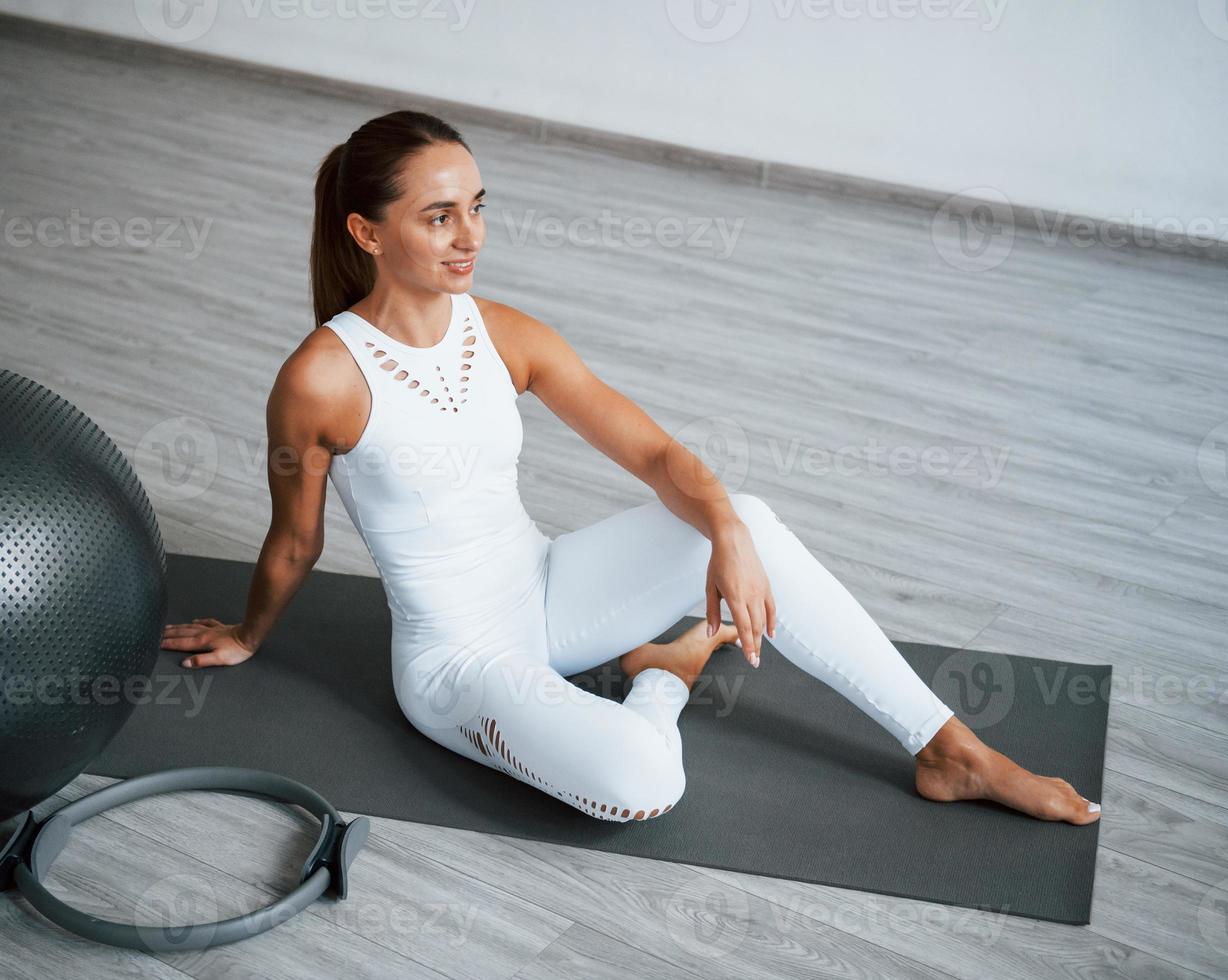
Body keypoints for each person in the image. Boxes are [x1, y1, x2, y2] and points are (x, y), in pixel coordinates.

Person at [161, 110, 1100, 826]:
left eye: (477, 208)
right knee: (643, 786)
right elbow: (297, 538)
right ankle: (667, 671)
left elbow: (651, 452)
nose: (470, 236)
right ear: (368, 233)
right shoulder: (320, 379)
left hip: (547, 592)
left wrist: (725, 531)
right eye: (438, 216)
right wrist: (248, 631)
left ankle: (951, 749)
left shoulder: (506, 335)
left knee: (754, 520)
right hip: (458, 663)